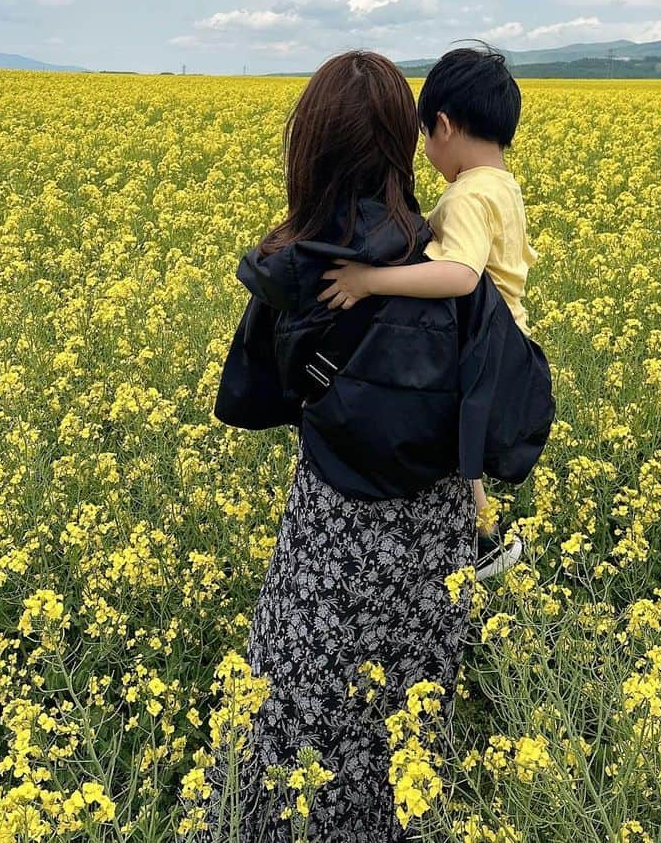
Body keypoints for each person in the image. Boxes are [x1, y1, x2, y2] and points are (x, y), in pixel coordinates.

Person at [209, 50, 553, 842]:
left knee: (299, 705)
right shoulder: (433, 246)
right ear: (407, 138)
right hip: (432, 536)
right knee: (406, 717)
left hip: (330, 530)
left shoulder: (300, 260)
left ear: (312, 146)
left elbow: (256, 396)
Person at [319, 44, 539, 580]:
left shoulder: (467, 196)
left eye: (423, 136)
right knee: (464, 439)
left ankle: (481, 539)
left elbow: (459, 274)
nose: (422, 150)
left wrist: (369, 281)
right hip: (504, 334)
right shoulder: (503, 186)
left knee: (453, 432)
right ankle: (484, 532)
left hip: (478, 339)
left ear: (443, 125)